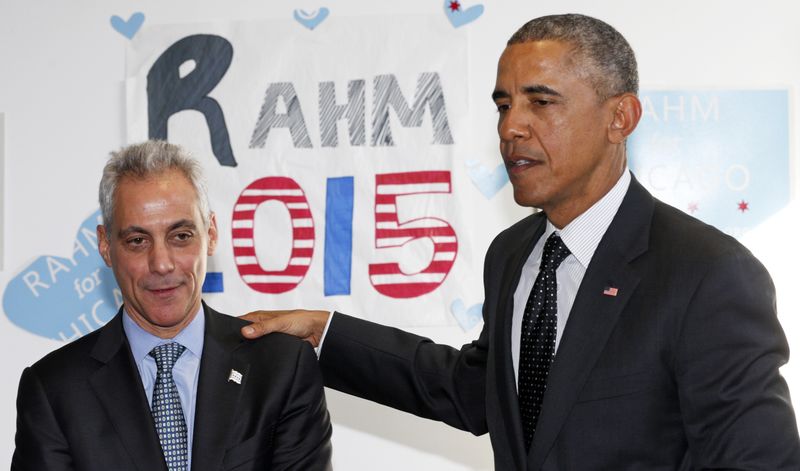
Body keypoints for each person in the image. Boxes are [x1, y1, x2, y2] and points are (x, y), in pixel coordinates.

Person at [239, 13, 800, 470]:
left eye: (542, 102)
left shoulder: (708, 274)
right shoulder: (512, 255)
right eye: (504, 105)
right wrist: (325, 332)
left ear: (620, 117)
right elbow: (479, 391)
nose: (511, 127)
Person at [12, 141, 332, 471]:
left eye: (180, 236)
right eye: (137, 241)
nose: (162, 264)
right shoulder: (55, 389)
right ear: (106, 246)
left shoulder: (280, 368)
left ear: (211, 233)